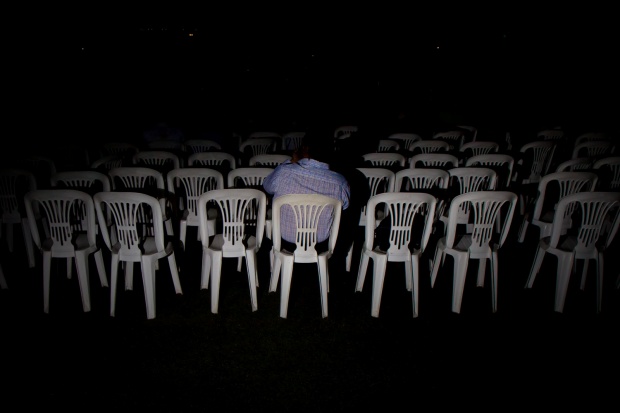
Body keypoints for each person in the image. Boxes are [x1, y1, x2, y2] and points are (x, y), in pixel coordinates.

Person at [263, 130, 350, 253]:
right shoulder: (340, 182)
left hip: (286, 243)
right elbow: (345, 206)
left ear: (304, 148)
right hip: (320, 245)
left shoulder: (284, 172)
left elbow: (266, 186)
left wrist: (290, 162)